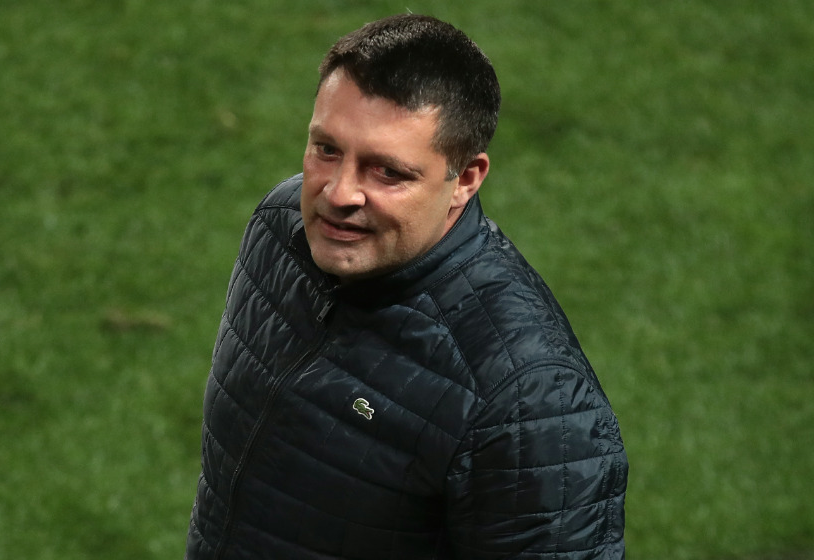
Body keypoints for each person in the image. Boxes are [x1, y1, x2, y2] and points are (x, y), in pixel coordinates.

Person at [185, 13, 628, 559]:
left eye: (387, 172)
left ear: (465, 179)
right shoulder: (282, 228)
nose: (338, 194)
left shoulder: (529, 398)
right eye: (327, 149)